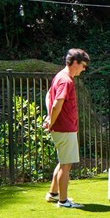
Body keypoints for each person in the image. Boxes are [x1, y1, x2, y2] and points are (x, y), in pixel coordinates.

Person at [43, 48, 90, 208]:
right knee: (66, 165)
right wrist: (51, 122)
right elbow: (57, 104)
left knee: (63, 162)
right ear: (75, 63)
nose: (84, 69)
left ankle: (53, 193)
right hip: (64, 129)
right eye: (83, 65)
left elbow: (49, 96)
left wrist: (50, 119)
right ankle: (63, 201)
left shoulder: (59, 77)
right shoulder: (66, 80)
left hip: (62, 128)